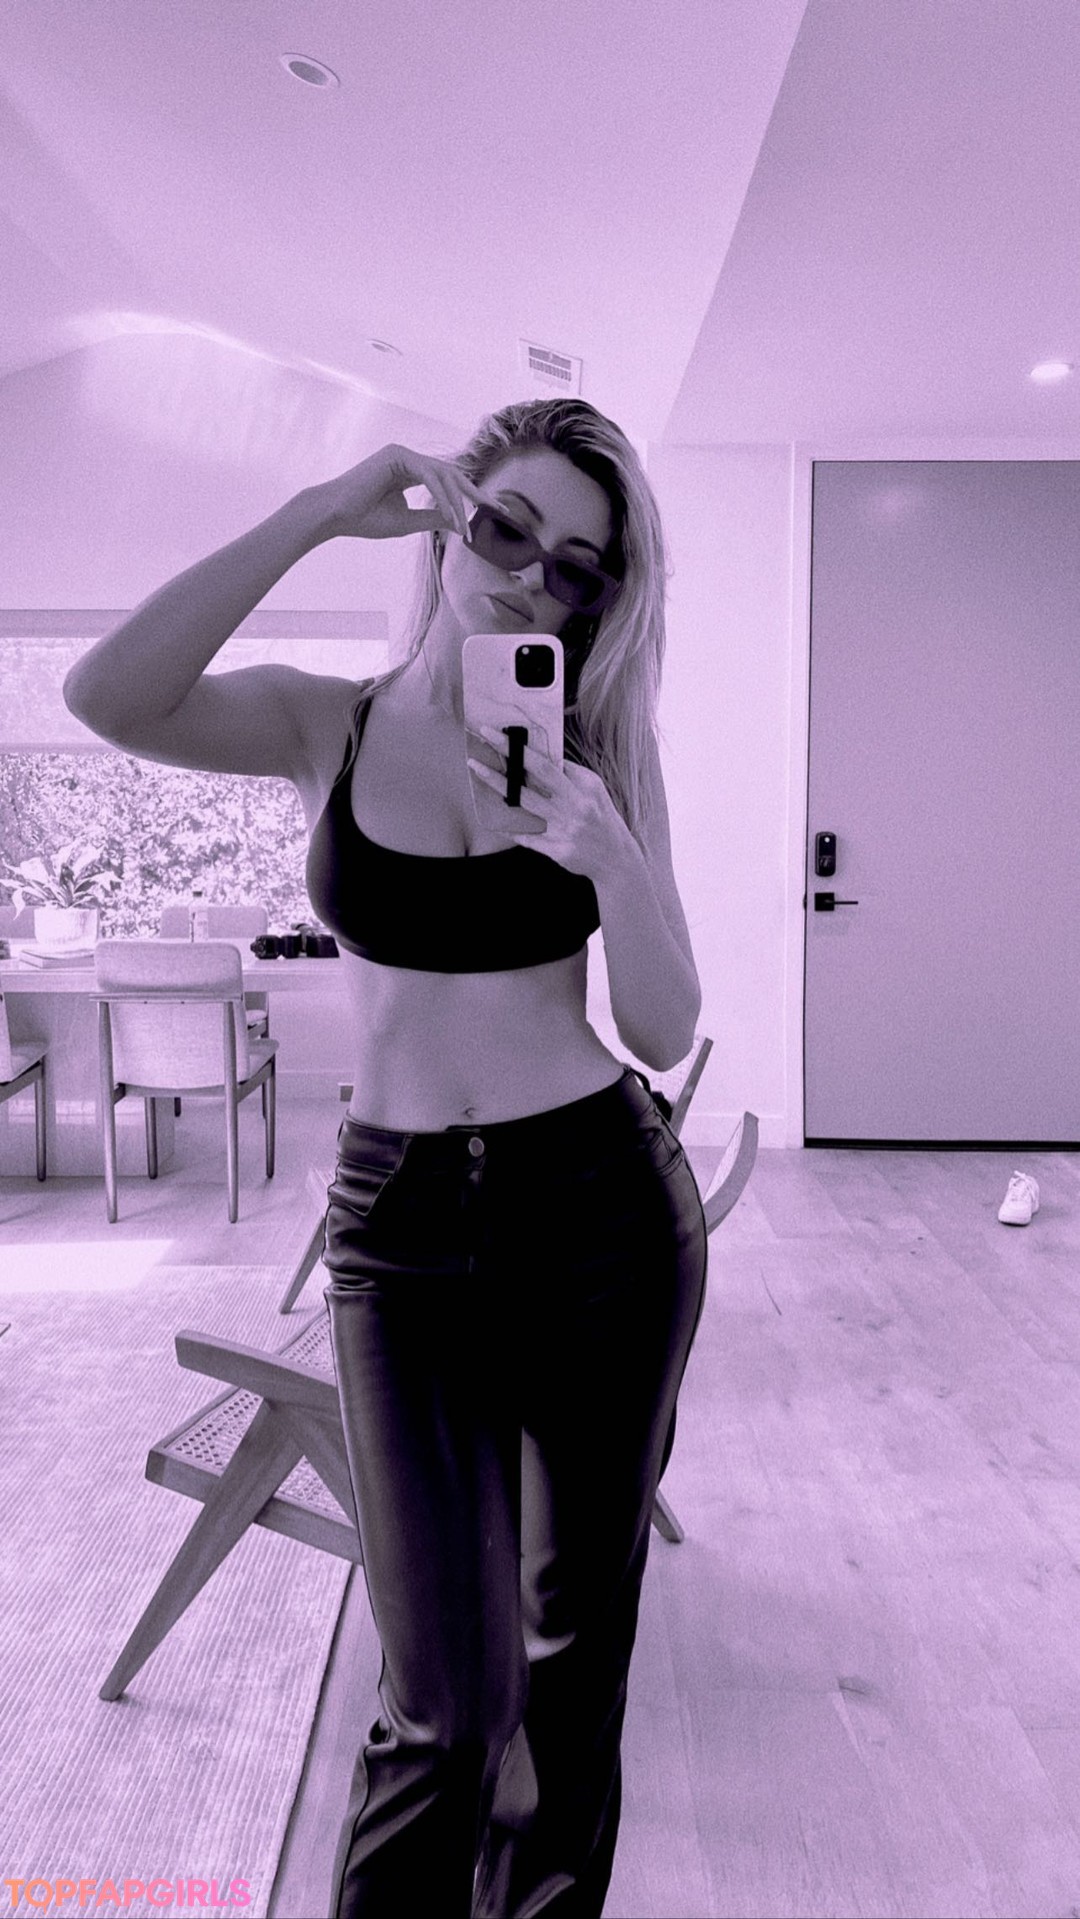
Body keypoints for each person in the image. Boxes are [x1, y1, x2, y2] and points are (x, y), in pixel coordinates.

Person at [63, 397, 708, 1918]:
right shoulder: (325, 723)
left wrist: (608, 852)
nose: (527, 578)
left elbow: (665, 1026)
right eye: (506, 529)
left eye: (573, 569)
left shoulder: (601, 749)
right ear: (449, 516)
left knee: (572, 1669)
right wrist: (315, 512)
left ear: (596, 601)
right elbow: (108, 693)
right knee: (446, 1705)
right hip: (401, 1228)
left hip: (604, 1214)